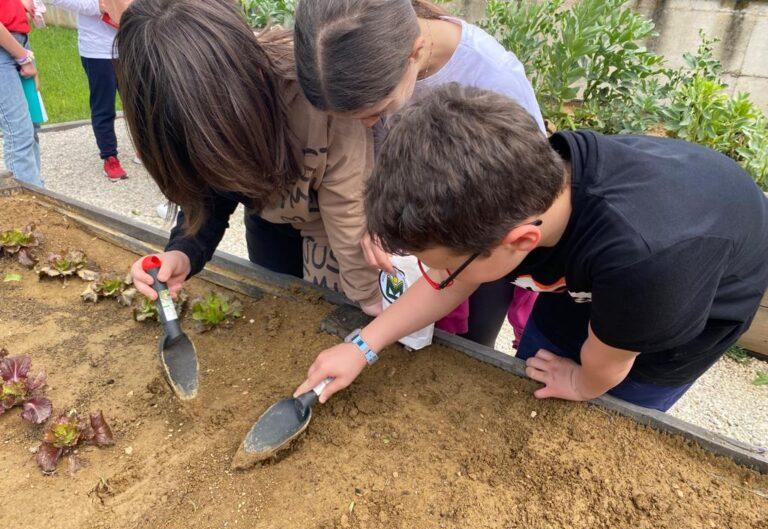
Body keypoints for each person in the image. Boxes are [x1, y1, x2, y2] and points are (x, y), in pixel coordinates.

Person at [294, 84, 768, 412]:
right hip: (621, 266)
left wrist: (583, 383)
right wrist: (362, 346)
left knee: (611, 404)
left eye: (444, 267)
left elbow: (611, 364)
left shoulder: (646, 266)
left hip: (685, 302)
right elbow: (450, 279)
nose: (435, 274)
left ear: (521, 240)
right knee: (546, 355)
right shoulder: (524, 183)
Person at [292, 0, 544, 348]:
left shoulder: (494, 79)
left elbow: (522, 204)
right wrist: (378, 221)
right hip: (408, 243)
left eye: (377, 113)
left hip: (475, 253)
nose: (368, 126)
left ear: (416, 51)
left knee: (462, 351)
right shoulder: (364, 74)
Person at [115, 0, 381, 316]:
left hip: (337, 227)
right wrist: (182, 253)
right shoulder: (184, 108)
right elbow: (207, 196)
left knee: (347, 310)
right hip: (270, 224)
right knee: (282, 306)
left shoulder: (317, 91)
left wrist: (370, 301)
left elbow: (347, 207)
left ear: (251, 74)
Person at [46, 0, 127, 181]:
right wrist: (99, 6)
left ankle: (145, 149)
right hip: (97, 50)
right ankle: (109, 156)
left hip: (129, 45)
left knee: (139, 105)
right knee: (104, 107)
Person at [0, 0, 43, 187]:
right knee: (19, 132)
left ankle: (36, 192)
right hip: (8, 48)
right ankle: (29, 199)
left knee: (31, 128)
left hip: (18, 43)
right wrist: (23, 57)